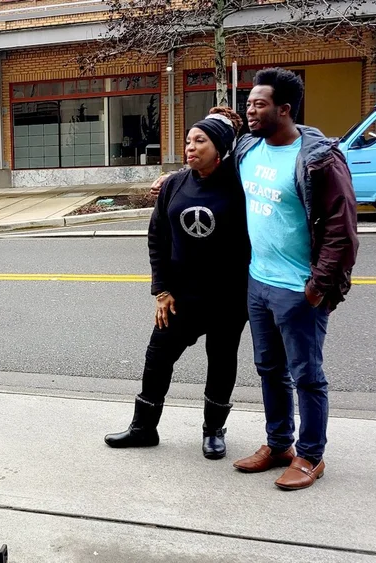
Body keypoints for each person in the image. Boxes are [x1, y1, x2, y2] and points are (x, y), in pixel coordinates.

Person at [228, 68, 358, 490]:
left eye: (259, 104)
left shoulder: (319, 160)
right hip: (258, 282)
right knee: (269, 369)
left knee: (306, 376)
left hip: (299, 288)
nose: (250, 110)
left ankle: (311, 455)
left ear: (284, 110)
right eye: (248, 103)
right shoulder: (248, 147)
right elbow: (212, 171)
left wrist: (318, 286)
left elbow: (341, 229)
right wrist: (172, 180)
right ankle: (279, 444)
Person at [104, 107, 249, 459]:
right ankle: (143, 428)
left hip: (229, 297)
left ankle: (213, 431)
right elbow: (157, 238)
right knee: (158, 356)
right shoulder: (174, 184)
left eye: (200, 141)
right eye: (188, 141)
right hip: (181, 296)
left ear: (220, 147)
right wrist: (162, 290)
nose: (191, 147)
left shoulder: (241, 185)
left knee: (221, 360)